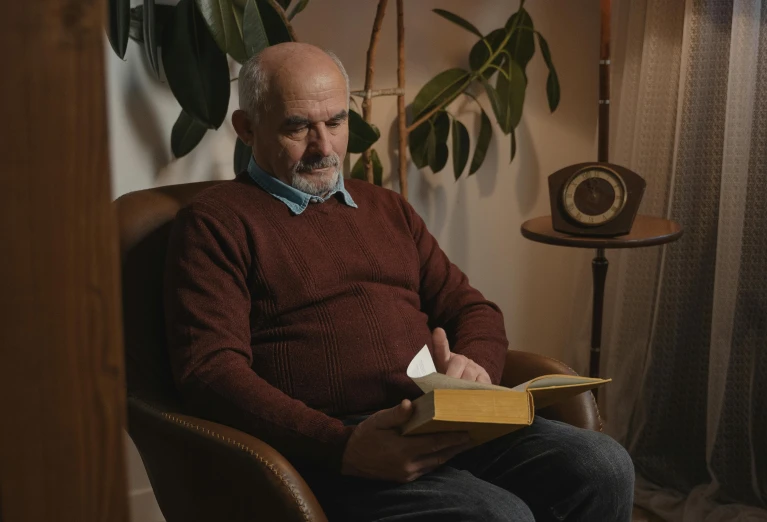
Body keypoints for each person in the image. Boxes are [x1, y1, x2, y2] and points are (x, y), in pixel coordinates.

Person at [164, 42, 634, 521]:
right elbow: (210, 371)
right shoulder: (215, 223)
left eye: (336, 122)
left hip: (437, 416)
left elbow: (473, 309)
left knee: (604, 464)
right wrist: (342, 446)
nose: (324, 147)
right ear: (246, 128)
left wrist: (475, 368)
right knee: (498, 515)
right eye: (299, 126)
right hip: (328, 445)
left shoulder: (387, 208)